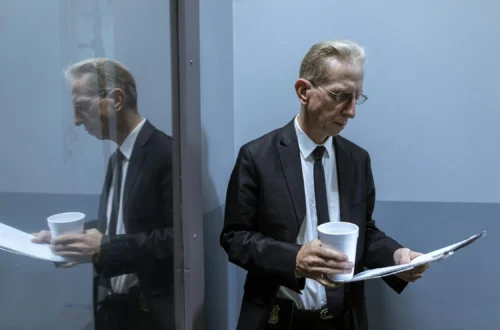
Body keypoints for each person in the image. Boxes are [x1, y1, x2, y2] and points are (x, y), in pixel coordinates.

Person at [220, 40, 430, 330]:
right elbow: (235, 238)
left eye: (358, 97)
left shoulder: (357, 160)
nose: (352, 111)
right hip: (278, 318)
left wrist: (398, 257)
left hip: (344, 320)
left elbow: (363, 233)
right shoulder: (257, 157)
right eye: (341, 95)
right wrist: (294, 258)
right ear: (304, 91)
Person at [32, 58, 174, 330]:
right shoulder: (118, 158)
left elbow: (179, 240)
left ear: (116, 100)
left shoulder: (166, 154)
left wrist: (104, 248)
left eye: (80, 107)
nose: (75, 121)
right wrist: (68, 241)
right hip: (113, 310)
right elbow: (123, 225)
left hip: (151, 316)